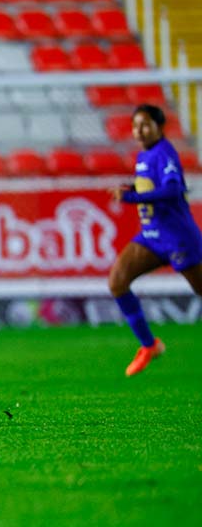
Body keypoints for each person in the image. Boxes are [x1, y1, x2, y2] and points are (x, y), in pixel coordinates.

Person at [108, 104, 202, 376]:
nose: (139, 130)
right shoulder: (144, 155)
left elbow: (172, 190)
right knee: (117, 282)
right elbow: (152, 185)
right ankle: (149, 345)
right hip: (151, 236)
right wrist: (132, 188)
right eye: (135, 125)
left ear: (160, 127)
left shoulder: (165, 153)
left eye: (145, 125)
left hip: (177, 237)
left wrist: (132, 197)